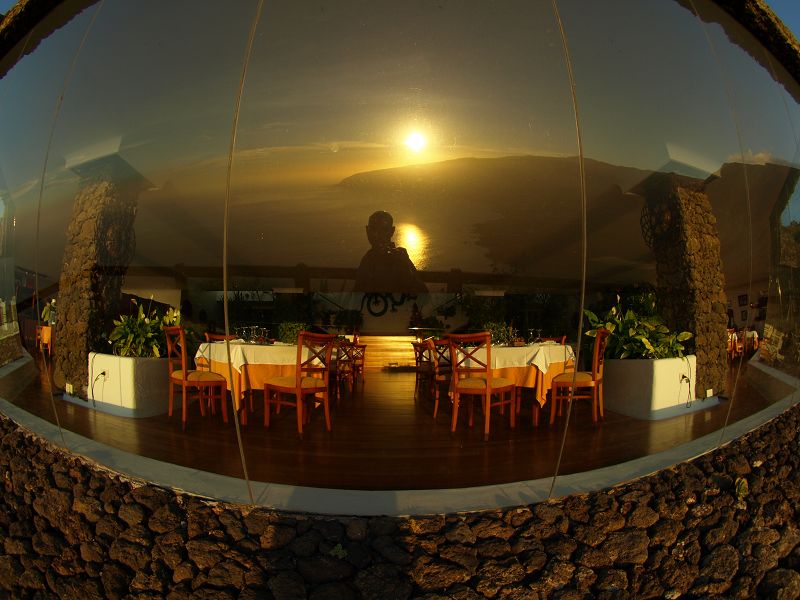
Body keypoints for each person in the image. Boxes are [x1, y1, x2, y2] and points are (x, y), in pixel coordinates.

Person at [354, 211, 427, 294]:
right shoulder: (368, 259)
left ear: (392, 231)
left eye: (384, 229)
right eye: (374, 229)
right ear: (367, 231)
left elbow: (422, 293)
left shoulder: (399, 257)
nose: (378, 234)